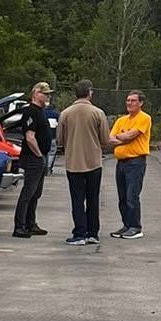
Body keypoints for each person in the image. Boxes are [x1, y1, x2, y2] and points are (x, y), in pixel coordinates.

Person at [56, 81, 114, 246]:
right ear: (89, 92)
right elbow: (105, 139)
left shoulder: (66, 113)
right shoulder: (98, 113)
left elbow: (60, 139)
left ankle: (79, 233)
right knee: (93, 198)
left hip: (74, 162)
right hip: (94, 162)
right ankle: (93, 233)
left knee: (77, 199)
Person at [12, 80, 53, 237]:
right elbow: (30, 137)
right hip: (33, 157)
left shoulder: (40, 111)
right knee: (28, 192)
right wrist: (38, 155)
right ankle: (19, 226)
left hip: (40, 156)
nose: (48, 96)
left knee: (36, 193)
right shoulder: (31, 111)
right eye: (45, 94)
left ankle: (30, 223)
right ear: (36, 93)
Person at [109, 89, 152, 238]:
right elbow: (111, 138)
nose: (129, 103)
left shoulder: (144, 118)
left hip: (135, 162)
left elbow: (132, 135)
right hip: (121, 162)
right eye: (128, 100)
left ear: (140, 103)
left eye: (133, 100)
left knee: (131, 196)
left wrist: (122, 137)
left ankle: (135, 227)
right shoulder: (121, 120)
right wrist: (123, 137)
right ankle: (126, 224)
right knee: (122, 197)